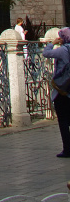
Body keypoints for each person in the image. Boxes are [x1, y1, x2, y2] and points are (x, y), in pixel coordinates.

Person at [43, 27, 70, 158]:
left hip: (62, 90)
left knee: (63, 121)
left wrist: (52, 43)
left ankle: (67, 149)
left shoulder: (63, 50)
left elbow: (46, 53)